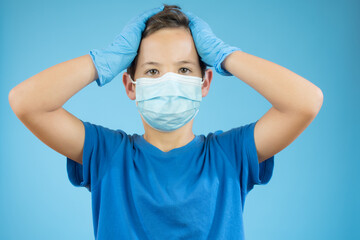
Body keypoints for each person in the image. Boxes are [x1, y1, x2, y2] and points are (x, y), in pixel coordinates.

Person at [8, 4, 323, 240]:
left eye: (184, 70)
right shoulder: (107, 153)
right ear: (131, 85)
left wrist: (225, 55)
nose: (169, 81)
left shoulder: (231, 154)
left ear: (205, 82)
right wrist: (106, 60)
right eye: (153, 71)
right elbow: (27, 102)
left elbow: (305, 102)